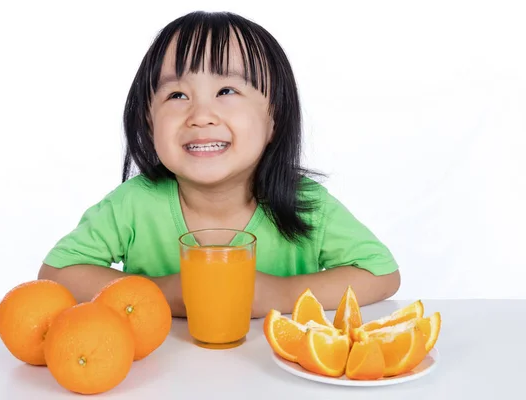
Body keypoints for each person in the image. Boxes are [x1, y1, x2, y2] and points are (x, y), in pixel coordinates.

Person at [38, 10, 401, 318]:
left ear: (274, 117)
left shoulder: (306, 203)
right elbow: (56, 275)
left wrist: (276, 295)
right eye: (177, 94)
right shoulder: (133, 205)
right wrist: (172, 293)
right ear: (149, 123)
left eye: (227, 91)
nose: (201, 115)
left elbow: (381, 274)